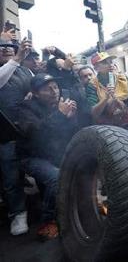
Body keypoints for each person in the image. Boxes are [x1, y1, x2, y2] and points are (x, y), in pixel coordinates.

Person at [17, 74, 79, 240]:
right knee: (56, 177)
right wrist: (60, 115)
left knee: (82, 167)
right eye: (47, 89)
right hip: (32, 156)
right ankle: (48, 222)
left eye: (55, 87)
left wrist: (71, 118)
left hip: (53, 153)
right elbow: (36, 134)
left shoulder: (59, 105)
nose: (54, 92)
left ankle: (76, 207)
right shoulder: (26, 108)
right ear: (36, 93)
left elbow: (67, 135)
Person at [0, 35, 32, 236]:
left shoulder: (25, 70)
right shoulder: (9, 66)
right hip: (5, 133)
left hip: (28, 130)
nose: (6, 49)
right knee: (10, 175)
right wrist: (17, 58)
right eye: (1, 46)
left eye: (10, 46)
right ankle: (18, 213)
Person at [86, 52, 128, 133]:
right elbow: (93, 113)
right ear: (96, 68)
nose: (110, 64)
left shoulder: (122, 77)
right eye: (104, 62)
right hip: (110, 130)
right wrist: (105, 98)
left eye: (110, 61)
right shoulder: (92, 85)